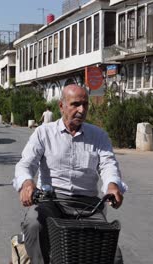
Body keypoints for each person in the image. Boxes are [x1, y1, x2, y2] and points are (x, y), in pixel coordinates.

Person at [13, 84, 127, 264]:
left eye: (85, 105)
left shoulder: (98, 135)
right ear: (61, 106)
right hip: (51, 202)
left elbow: (108, 165)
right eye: (75, 104)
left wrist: (112, 186)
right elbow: (25, 164)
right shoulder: (43, 133)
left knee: (113, 254)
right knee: (33, 224)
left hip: (88, 205)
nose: (81, 110)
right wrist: (27, 184)